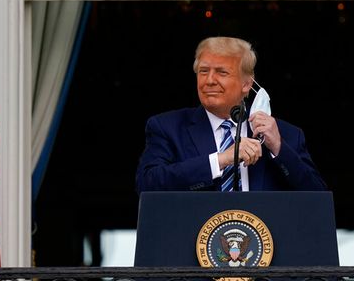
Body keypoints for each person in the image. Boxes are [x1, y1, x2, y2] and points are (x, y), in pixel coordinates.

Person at [136, 36, 326, 192]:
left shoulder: (285, 134)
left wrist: (278, 147)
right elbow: (147, 184)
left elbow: (317, 197)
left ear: (246, 84)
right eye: (203, 71)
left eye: (222, 72)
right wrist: (222, 159)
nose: (209, 80)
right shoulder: (167, 127)